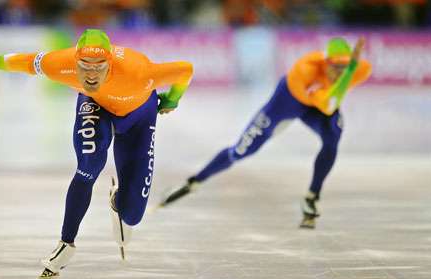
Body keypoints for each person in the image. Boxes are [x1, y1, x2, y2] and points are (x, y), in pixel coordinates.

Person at [0, 29, 193, 279]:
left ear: (111, 62)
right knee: (90, 165)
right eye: (84, 66)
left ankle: (119, 203)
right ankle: (66, 243)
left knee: (132, 216)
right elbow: (24, 61)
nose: (92, 73)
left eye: (99, 66)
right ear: (74, 62)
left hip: (138, 115)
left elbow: (185, 69)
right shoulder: (59, 64)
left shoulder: (139, 71)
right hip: (95, 105)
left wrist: (173, 99)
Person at [158, 37, 371, 229]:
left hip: (320, 101)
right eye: (336, 67)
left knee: (332, 139)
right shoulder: (305, 70)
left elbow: (331, 99)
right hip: (288, 102)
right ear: (326, 63)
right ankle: (193, 182)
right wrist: (349, 71)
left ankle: (312, 196)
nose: (340, 73)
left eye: (345, 68)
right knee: (240, 151)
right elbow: (329, 104)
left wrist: (351, 69)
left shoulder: (359, 69)